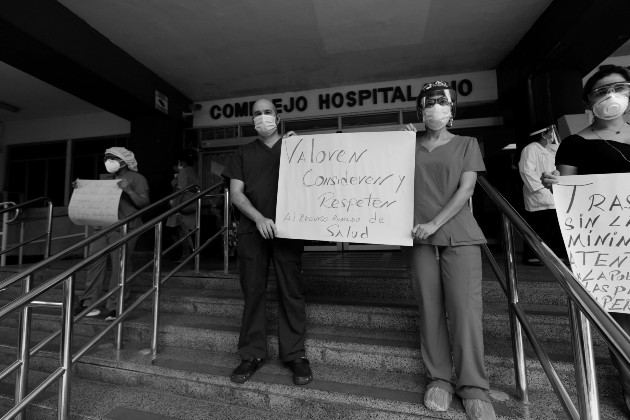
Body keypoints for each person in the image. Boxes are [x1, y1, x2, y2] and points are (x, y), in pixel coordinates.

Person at [402, 81, 496, 419]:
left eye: (442, 101)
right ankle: (439, 379)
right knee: (429, 309)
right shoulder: (406, 146)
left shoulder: (467, 144)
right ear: (420, 110)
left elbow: (466, 189)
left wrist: (434, 224)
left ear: (452, 109)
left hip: (459, 236)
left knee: (465, 312)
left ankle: (473, 387)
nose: (435, 107)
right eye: (428, 102)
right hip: (418, 237)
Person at [542, 65, 630, 413]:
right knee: (619, 318)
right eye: (600, 91)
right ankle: (628, 386)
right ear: (589, 103)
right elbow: (566, 189)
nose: (611, 96)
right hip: (608, 247)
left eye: (619, 87)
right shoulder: (575, 144)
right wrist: (554, 182)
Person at [222, 98, 312, 386]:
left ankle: (295, 354)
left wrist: (302, 150)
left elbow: (314, 179)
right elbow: (236, 193)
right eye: (257, 114)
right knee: (253, 293)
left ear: (279, 116)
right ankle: (252, 353)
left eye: (268, 112)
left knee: (291, 292)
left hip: (288, 231)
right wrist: (259, 219)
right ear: (252, 120)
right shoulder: (243, 153)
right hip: (252, 231)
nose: (263, 118)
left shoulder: (293, 147)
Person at [76, 147, 150, 321]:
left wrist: (129, 191)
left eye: (112, 157)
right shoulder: (107, 179)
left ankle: (116, 307)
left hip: (125, 226)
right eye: (106, 157)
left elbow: (145, 203)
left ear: (124, 161)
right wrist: (81, 189)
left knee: (120, 266)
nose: (108, 161)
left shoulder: (137, 178)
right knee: (94, 263)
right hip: (103, 226)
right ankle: (89, 304)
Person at [518, 123, 567, 265]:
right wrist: (541, 189)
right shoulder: (531, 149)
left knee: (552, 229)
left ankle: (553, 256)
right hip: (539, 196)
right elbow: (526, 171)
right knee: (540, 228)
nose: (552, 135)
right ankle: (532, 256)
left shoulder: (550, 149)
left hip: (551, 194)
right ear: (543, 134)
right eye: (550, 132)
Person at [166, 150, 201, 262]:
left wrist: (176, 206)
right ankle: (190, 254)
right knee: (188, 231)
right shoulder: (193, 171)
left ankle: (186, 255)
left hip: (183, 203)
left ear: (181, 162)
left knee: (182, 231)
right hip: (193, 203)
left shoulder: (184, 172)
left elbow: (181, 189)